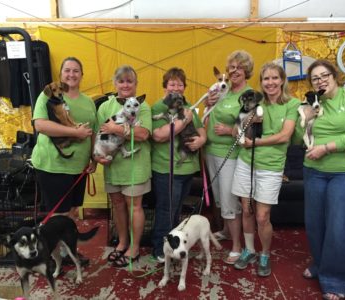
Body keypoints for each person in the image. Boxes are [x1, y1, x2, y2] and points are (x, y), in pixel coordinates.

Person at [300, 59, 345, 300]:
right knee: (315, 223)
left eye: (324, 75)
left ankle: (338, 281)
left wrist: (328, 147)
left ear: (334, 76)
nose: (320, 81)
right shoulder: (312, 103)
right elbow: (302, 137)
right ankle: (322, 265)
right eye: (315, 78)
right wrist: (306, 117)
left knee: (339, 225)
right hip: (314, 170)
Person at [231, 62, 300, 276]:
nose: (270, 83)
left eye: (274, 78)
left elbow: (285, 136)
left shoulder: (292, 103)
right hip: (246, 162)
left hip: (270, 167)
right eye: (265, 79)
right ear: (261, 82)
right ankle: (249, 250)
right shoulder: (254, 100)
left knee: (262, 215)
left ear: (282, 80)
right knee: (246, 209)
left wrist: (255, 143)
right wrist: (247, 124)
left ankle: (265, 253)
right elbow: (237, 127)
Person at [31, 56, 97, 264]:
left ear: (81, 75)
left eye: (76, 71)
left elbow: (93, 131)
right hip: (53, 165)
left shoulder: (88, 102)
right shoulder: (48, 94)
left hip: (78, 167)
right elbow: (40, 125)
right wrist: (74, 132)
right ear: (61, 74)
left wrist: (93, 156)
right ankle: (51, 255)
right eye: (67, 70)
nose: (71, 74)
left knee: (72, 212)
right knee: (57, 214)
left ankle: (67, 252)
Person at [95, 65, 152, 268]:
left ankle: (134, 248)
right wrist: (96, 158)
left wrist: (115, 128)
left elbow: (143, 134)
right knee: (118, 205)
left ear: (136, 84)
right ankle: (122, 242)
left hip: (135, 166)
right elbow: (99, 134)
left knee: (134, 206)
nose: (125, 84)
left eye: (129, 81)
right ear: (115, 83)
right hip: (113, 165)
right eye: (121, 81)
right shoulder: (104, 107)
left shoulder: (141, 106)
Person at [151, 67, 207, 262]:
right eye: (172, 83)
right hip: (167, 168)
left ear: (184, 87)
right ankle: (159, 248)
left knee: (176, 211)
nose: (176, 87)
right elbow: (158, 135)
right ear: (165, 86)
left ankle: (174, 245)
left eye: (180, 84)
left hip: (187, 168)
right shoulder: (158, 107)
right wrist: (184, 121)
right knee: (166, 210)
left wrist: (201, 141)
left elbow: (202, 131)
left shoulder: (189, 106)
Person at [204, 50, 254, 264]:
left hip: (231, 154)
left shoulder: (249, 95)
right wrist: (207, 104)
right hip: (211, 151)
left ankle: (236, 245)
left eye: (239, 67)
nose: (234, 71)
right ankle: (225, 230)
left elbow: (250, 129)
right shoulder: (224, 91)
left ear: (247, 71)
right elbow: (208, 115)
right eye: (231, 67)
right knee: (218, 196)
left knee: (229, 200)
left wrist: (230, 130)